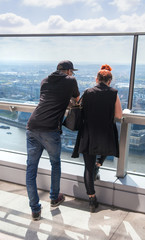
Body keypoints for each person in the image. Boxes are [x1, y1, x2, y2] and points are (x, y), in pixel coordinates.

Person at [26, 60, 80, 220]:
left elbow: (48, 99)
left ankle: (35, 209)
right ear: (69, 71)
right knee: (55, 163)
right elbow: (77, 99)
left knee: (31, 169)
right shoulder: (71, 81)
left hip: (32, 126)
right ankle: (54, 197)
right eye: (72, 72)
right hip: (50, 129)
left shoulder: (45, 80)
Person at [72, 64, 122, 212]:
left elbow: (79, 108)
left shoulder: (88, 92)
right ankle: (99, 163)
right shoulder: (114, 93)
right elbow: (119, 115)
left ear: (96, 79)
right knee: (108, 145)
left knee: (87, 167)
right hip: (105, 132)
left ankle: (92, 199)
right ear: (109, 81)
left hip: (88, 132)